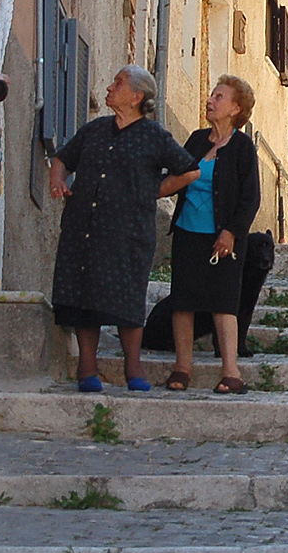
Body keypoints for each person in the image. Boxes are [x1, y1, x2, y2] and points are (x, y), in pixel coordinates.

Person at [49, 65, 198, 394]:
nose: (109, 87)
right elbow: (63, 159)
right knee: (82, 295)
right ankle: (87, 368)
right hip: (84, 226)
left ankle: (133, 368)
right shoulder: (95, 130)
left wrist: (154, 190)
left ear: (136, 96)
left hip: (128, 230)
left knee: (127, 299)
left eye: (117, 83)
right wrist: (58, 181)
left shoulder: (154, 136)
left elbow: (189, 171)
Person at [165, 76, 260, 394]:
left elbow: (251, 198)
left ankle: (231, 372)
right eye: (211, 95)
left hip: (224, 237)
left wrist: (231, 232)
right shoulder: (196, 139)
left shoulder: (243, 147)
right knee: (183, 301)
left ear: (235, 108)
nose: (210, 100)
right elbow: (177, 174)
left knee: (223, 303)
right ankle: (182, 368)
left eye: (219, 97)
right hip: (187, 230)